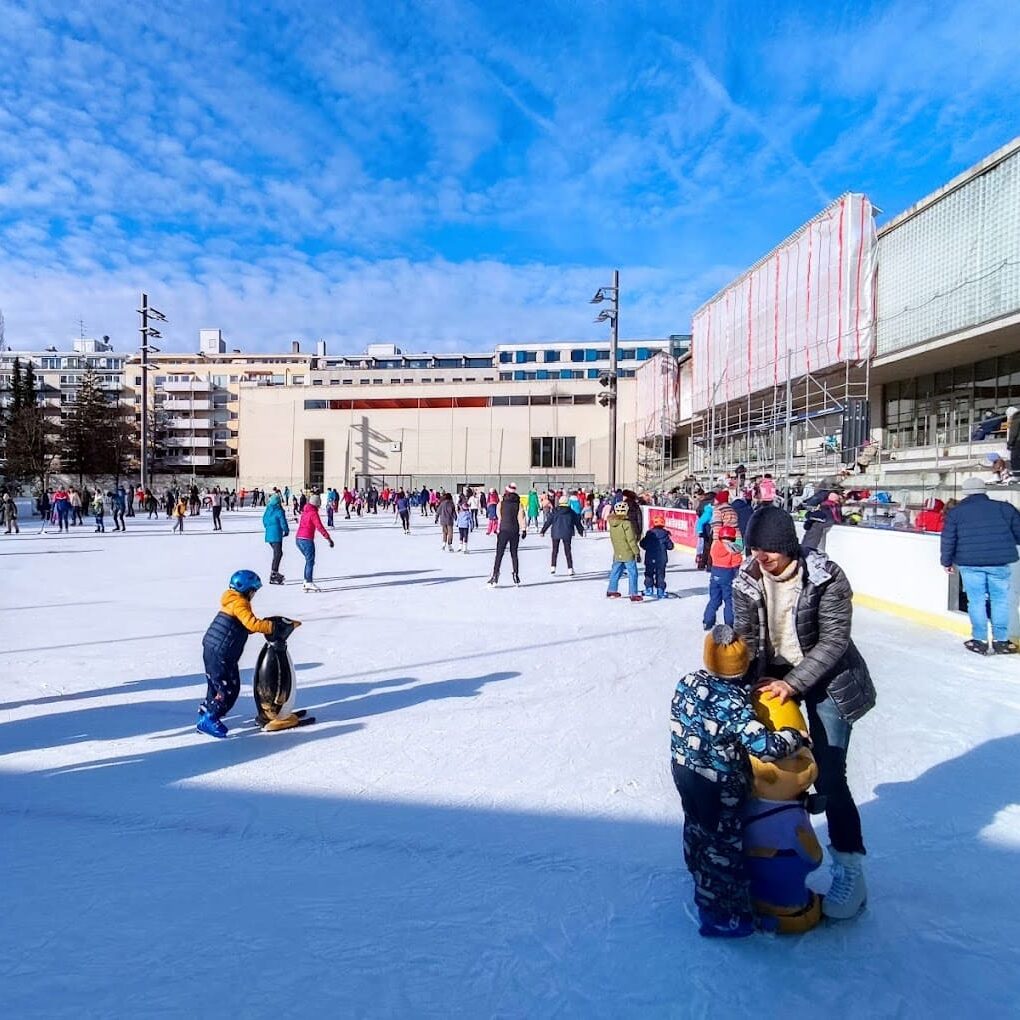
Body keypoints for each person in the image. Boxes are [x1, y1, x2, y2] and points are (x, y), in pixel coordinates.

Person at [733, 505, 876, 920]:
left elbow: (833, 642)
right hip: (773, 676)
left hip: (829, 679)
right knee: (768, 767)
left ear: (787, 546)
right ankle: (770, 854)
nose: (760, 558)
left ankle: (850, 869)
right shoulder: (748, 579)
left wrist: (793, 684)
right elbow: (747, 637)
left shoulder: (826, 577)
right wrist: (734, 675)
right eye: (755, 549)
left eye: (768, 551)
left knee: (830, 774)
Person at [670, 624, 809, 938]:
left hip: (685, 772)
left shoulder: (688, 681)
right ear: (743, 666)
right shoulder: (736, 706)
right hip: (719, 786)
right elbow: (766, 747)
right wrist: (794, 737)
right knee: (724, 849)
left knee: (696, 827)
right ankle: (722, 917)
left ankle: (697, 872)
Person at [940, 476, 1020, 655]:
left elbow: (948, 539)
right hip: (999, 562)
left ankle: (980, 640)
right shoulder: (1004, 508)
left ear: (965, 492)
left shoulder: (956, 513)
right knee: (1000, 601)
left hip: (970, 563)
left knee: (976, 601)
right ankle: (1001, 642)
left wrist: (946, 561)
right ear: (984, 491)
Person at [196, 569, 275, 738]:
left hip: (213, 647)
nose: (254, 595)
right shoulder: (239, 603)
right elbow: (251, 624)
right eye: (254, 591)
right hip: (221, 652)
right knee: (228, 688)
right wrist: (270, 626)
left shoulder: (231, 600)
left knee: (215, 684)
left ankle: (206, 712)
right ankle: (209, 719)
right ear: (247, 590)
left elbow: (243, 625)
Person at [703, 524, 742, 628]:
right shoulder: (734, 550)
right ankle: (729, 623)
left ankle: (707, 620)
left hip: (715, 575)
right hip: (727, 575)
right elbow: (736, 566)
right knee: (729, 600)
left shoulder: (715, 546)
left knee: (714, 599)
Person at [487, 484, 525, 587]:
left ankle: (495, 575)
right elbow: (521, 517)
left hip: (503, 530)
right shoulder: (518, 504)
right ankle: (516, 574)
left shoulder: (501, 503)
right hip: (514, 531)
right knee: (514, 554)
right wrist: (523, 529)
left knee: (499, 554)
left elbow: (499, 516)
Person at [295, 493, 334, 592]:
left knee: (309, 561)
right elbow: (319, 527)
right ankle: (308, 582)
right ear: (317, 503)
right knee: (310, 561)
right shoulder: (313, 513)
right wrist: (328, 538)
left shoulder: (305, 511)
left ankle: (305, 581)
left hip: (298, 539)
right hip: (306, 539)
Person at [607, 500, 642, 601]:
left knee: (615, 571)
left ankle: (611, 590)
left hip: (618, 552)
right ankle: (633, 593)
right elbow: (631, 540)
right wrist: (637, 552)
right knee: (632, 573)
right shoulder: (626, 523)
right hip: (627, 553)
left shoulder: (613, 523)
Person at [541, 495, 584, 576]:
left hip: (556, 533)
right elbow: (577, 522)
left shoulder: (554, 511)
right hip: (567, 533)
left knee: (555, 550)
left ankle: (553, 567)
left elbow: (548, 521)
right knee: (567, 551)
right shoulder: (571, 512)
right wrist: (580, 531)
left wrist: (543, 531)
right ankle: (570, 569)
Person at [640, 512, 674, 599]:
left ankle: (649, 589)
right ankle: (660, 591)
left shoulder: (649, 533)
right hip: (661, 559)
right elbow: (670, 546)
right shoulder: (665, 534)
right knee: (660, 574)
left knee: (649, 573)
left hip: (650, 558)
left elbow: (642, 544)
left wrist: (648, 547)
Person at [263, 492, 290, 584]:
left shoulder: (268, 510)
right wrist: (286, 530)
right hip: (276, 535)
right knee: (278, 553)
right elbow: (283, 522)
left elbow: (264, 521)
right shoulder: (279, 511)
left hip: (269, 535)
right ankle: (273, 574)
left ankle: (274, 572)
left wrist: (268, 528)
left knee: (278, 553)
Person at [1006, 407, 1020, 478]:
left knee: (1015, 458)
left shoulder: (1016, 418)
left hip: (1018, 442)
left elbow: (1013, 433)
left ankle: (1017, 476)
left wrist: (1009, 443)